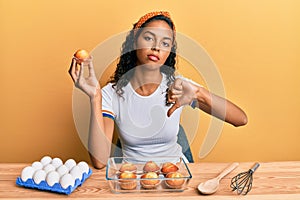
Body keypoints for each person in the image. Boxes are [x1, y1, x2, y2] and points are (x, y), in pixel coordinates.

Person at [68, 11, 248, 169]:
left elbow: (240, 119)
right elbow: (99, 161)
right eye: (148, 38)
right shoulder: (110, 93)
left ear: (170, 51)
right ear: (134, 42)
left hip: (175, 176)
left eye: (165, 43)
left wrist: (198, 93)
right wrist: (95, 96)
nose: (156, 47)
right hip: (133, 178)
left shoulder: (179, 87)